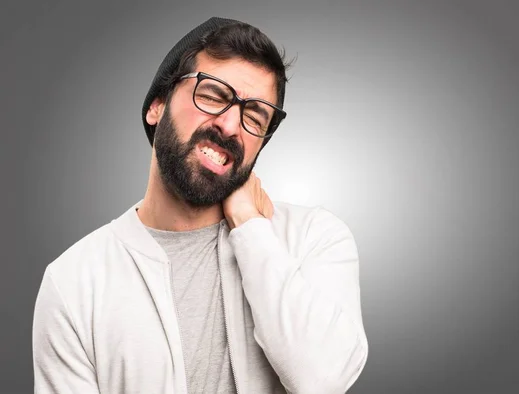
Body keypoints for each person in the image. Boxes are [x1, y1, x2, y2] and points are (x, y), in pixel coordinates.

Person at [32, 16, 368, 394]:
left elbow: (323, 380)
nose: (229, 125)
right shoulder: (75, 282)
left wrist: (249, 225)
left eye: (254, 116)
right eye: (211, 95)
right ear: (156, 106)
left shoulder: (313, 240)